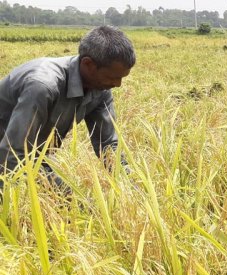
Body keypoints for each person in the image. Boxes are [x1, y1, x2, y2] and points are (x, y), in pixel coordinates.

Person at [0, 26, 134, 192]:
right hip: (9, 153)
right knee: (67, 203)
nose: (118, 85)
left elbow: (107, 145)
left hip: (30, 155)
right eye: (112, 77)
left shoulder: (101, 90)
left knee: (77, 205)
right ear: (88, 64)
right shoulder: (42, 86)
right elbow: (11, 154)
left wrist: (132, 189)